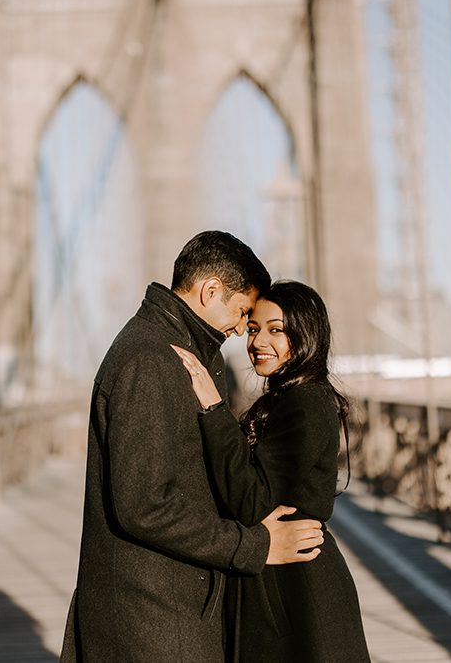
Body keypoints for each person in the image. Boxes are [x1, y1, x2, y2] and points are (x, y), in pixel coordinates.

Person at [61, 232, 325, 662]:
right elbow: (144, 505)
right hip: (153, 615)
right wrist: (254, 546)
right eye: (242, 312)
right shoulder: (151, 360)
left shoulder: (185, 352)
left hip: (175, 601)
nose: (240, 330)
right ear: (210, 291)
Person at [171, 280, 371, 663]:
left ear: (305, 335)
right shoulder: (286, 399)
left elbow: (251, 500)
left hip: (297, 592)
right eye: (253, 329)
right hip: (283, 581)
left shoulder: (305, 403)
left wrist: (213, 409)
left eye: (275, 330)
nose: (258, 341)